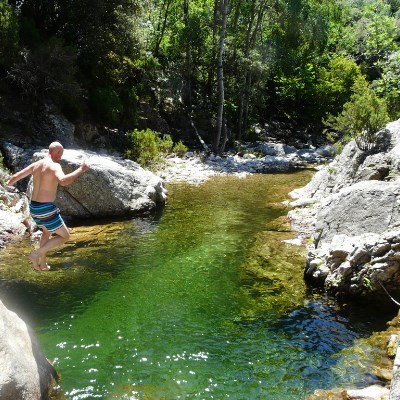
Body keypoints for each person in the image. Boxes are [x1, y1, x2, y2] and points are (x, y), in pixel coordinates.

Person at [6, 141, 90, 271]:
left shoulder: (36, 165)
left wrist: (6, 187)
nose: (60, 158)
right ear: (56, 152)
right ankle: (36, 254)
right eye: (60, 154)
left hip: (34, 208)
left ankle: (43, 263)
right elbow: (63, 181)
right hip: (45, 208)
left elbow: (15, 177)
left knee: (46, 231)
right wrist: (81, 169)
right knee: (64, 236)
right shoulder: (54, 166)